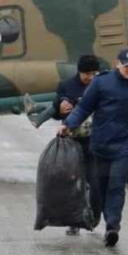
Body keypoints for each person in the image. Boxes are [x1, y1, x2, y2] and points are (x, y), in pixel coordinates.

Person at [59, 47, 128, 247]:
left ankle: (112, 227)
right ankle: (99, 216)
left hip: (125, 145)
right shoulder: (101, 82)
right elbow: (85, 107)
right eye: (126, 66)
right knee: (100, 187)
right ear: (117, 64)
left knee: (116, 185)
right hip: (101, 144)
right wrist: (68, 124)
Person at [50, 54, 102, 234]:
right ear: (79, 72)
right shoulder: (66, 86)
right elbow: (56, 110)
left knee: (95, 182)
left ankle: (94, 215)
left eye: (94, 73)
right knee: (74, 183)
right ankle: (75, 221)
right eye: (87, 74)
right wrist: (60, 107)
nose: (90, 77)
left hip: (95, 141)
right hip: (72, 142)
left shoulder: (101, 85)